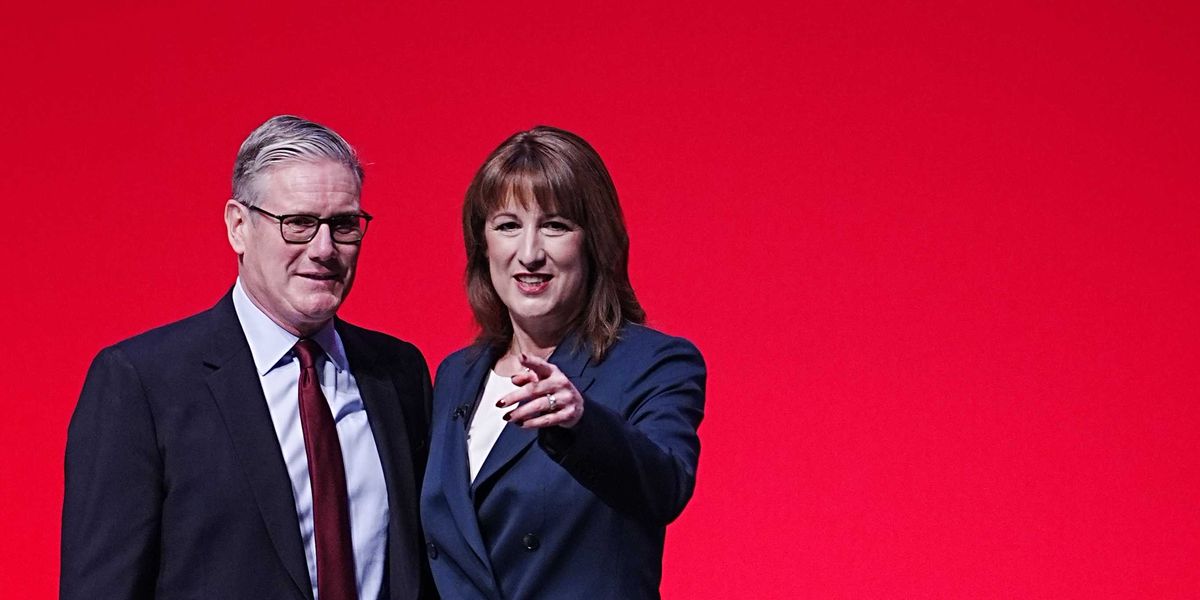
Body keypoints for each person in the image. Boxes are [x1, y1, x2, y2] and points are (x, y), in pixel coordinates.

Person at [62, 115, 434, 600]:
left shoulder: (397, 373)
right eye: (298, 224)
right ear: (239, 227)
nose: (324, 249)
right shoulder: (142, 383)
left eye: (344, 225)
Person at [420, 126, 706, 599]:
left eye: (555, 225)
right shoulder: (456, 375)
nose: (529, 254)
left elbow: (664, 487)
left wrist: (580, 423)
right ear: (483, 243)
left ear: (593, 241)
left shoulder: (653, 363)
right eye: (508, 225)